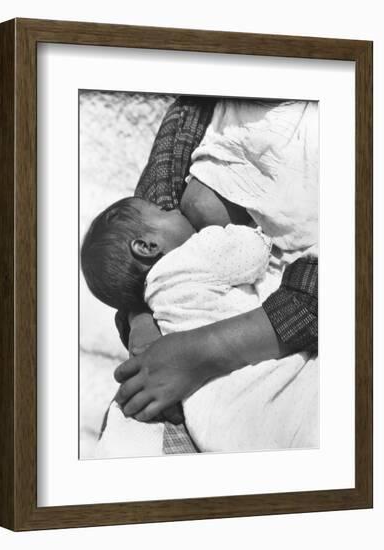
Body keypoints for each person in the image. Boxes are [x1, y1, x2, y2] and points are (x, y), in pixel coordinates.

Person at [112, 96, 318, 440]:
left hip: (283, 343)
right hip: (202, 385)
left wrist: (203, 351)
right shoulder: (195, 109)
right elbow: (146, 215)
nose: (173, 210)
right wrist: (141, 321)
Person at [81, 195, 317, 457]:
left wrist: (139, 317)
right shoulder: (194, 254)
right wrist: (264, 229)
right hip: (271, 381)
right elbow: (252, 250)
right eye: (163, 209)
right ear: (146, 246)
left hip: (216, 427)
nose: (174, 207)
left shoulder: (155, 300)